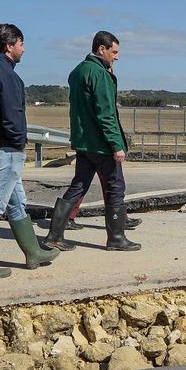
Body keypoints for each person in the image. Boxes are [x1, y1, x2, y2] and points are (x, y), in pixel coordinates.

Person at [0, 23, 57, 279]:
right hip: (2, 149)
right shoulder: (7, 76)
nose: (23, 50)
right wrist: (19, 142)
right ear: (10, 46)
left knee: (17, 203)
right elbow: (12, 115)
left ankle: (33, 253)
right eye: (21, 44)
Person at [45, 30, 139, 252]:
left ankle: (54, 235)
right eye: (114, 52)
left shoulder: (77, 71)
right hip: (101, 144)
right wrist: (116, 145)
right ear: (101, 49)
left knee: (78, 185)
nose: (116, 57)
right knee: (116, 187)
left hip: (83, 142)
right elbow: (106, 114)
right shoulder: (99, 75)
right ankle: (116, 238)